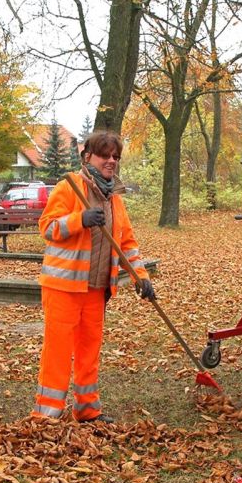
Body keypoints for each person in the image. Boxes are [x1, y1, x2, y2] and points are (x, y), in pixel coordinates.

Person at [33, 131, 155, 423]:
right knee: (58, 353)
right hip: (64, 287)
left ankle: (87, 409)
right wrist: (79, 221)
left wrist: (142, 277)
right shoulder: (69, 188)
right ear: (87, 156)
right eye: (105, 155)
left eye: (116, 156)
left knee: (89, 353)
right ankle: (46, 416)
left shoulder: (115, 201)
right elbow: (48, 228)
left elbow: (127, 245)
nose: (111, 161)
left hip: (96, 290)